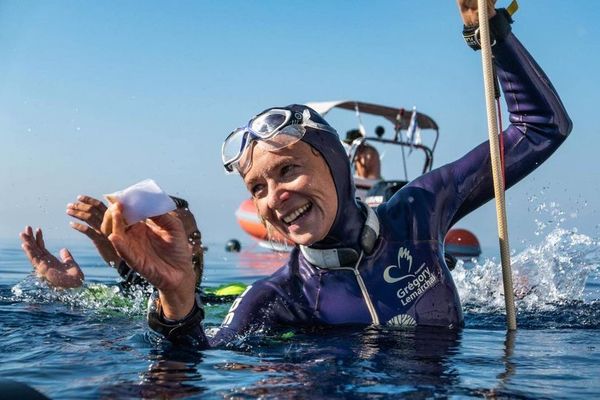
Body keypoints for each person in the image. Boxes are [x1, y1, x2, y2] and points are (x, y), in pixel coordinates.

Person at [101, 0, 572, 347]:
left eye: (287, 170)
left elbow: (542, 127)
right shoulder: (277, 297)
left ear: (336, 166)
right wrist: (177, 299)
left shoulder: (419, 212)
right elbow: (197, 362)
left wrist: (493, 32)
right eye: (257, 188)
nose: (274, 196)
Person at [20, 195, 204, 291]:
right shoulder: (118, 298)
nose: (189, 248)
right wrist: (66, 292)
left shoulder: (226, 300)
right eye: (172, 240)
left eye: (195, 238)